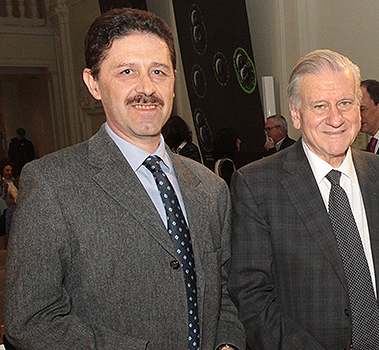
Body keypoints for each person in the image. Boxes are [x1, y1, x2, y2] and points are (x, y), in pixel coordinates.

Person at [3, 8, 244, 349]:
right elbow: (29, 319)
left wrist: (228, 344)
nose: (146, 87)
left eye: (158, 71)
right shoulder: (51, 184)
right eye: (127, 71)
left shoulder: (210, 187)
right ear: (93, 83)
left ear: (174, 80)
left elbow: (224, 292)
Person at [227, 49, 379, 349]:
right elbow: (250, 293)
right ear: (296, 114)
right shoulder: (257, 186)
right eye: (320, 106)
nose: (335, 118)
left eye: (345, 103)